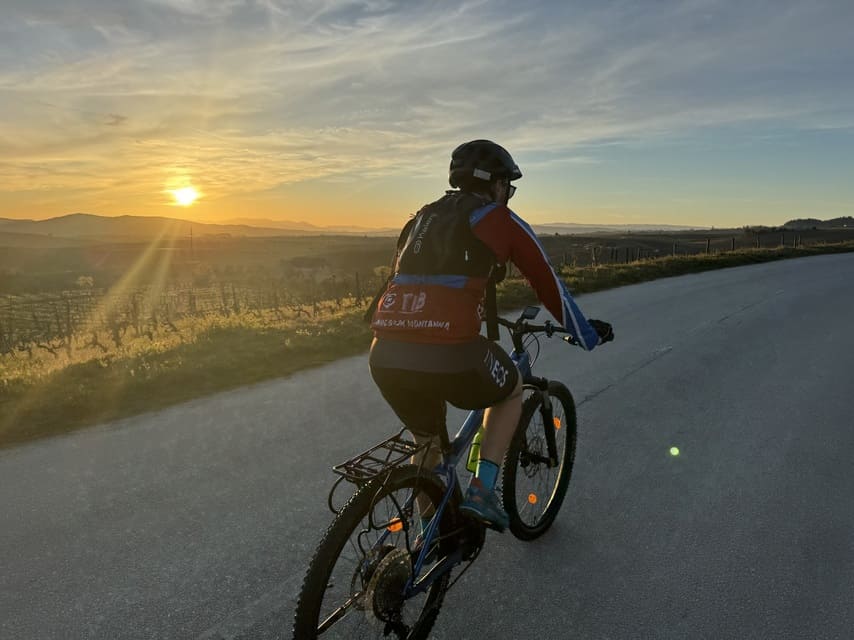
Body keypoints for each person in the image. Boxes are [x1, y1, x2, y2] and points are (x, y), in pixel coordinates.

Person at [368, 139, 613, 533]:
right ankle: (482, 490)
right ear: (495, 185)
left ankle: (434, 536)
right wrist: (585, 334)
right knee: (511, 389)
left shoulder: (421, 218)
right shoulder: (497, 219)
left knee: (427, 443)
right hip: (451, 353)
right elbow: (548, 284)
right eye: (508, 187)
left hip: (385, 353)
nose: (509, 195)